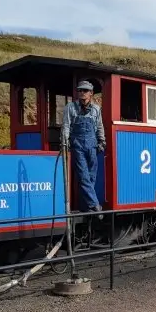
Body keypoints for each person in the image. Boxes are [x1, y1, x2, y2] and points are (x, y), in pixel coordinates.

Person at [61, 80, 106, 214]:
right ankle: (94, 204)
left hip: (92, 146)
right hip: (78, 146)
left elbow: (99, 126)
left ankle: (84, 206)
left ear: (91, 93)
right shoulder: (71, 107)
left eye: (85, 91)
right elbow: (66, 126)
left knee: (92, 176)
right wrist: (65, 142)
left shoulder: (96, 109)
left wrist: (102, 141)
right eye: (80, 90)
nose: (82, 93)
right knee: (83, 176)